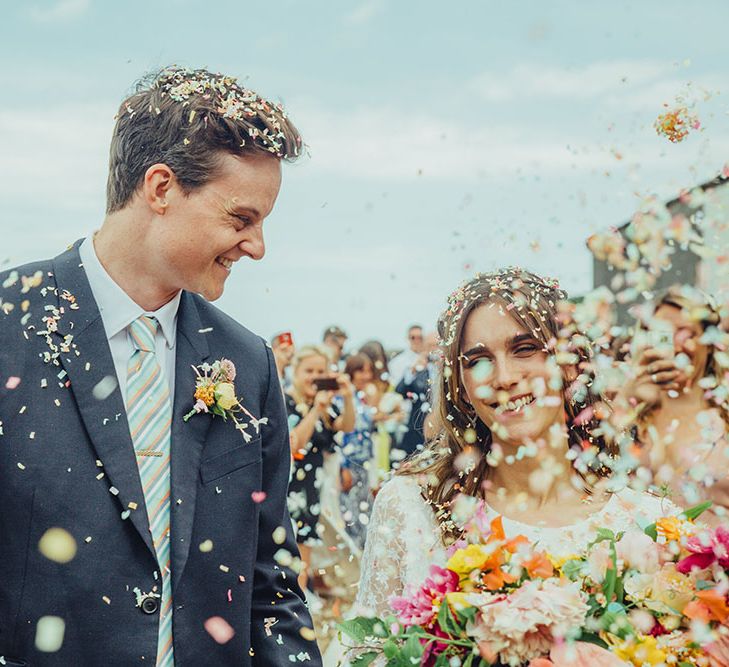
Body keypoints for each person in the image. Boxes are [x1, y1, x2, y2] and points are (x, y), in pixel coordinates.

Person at [0, 66, 322, 666]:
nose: (257, 246)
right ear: (161, 187)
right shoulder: (7, 322)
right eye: (241, 218)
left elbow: (271, 581)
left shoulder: (246, 362)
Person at [355, 269, 681, 619]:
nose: (505, 378)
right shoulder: (410, 508)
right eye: (478, 361)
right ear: (461, 387)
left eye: (525, 349)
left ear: (570, 363)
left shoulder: (647, 523)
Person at [613, 285, 729, 524]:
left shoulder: (724, 411)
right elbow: (593, 474)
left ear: (708, 342)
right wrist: (627, 396)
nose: (674, 347)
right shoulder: (633, 412)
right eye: (662, 334)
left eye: (685, 334)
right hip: (642, 558)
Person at [285, 345, 355, 591]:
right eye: (309, 370)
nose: (314, 376)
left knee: (304, 556)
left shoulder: (324, 404)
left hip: (312, 489)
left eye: (320, 370)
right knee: (284, 554)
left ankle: (298, 607)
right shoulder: (285, 401)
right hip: (287, 488)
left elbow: (345, 426)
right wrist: (316, 409)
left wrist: (347, 396)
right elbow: (295, 444)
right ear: (296, 371)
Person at [338, 353, 377, 550]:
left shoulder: (361, 398)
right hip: (349, 466)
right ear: (351, 372)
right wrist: (342, 467)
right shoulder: (343, 398)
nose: (367, 375)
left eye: (369, 371)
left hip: (364, 465)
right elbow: (341, 435)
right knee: (351, 516)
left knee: (366, 515)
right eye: (362, 371)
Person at [394, 331, 439, 461]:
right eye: (430, 346)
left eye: (436, 345)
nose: (433, 350)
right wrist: (412, 370)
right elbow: (400, 391)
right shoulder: (418, 371)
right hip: (417, 431)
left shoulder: (450, 371)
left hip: (442, 432)